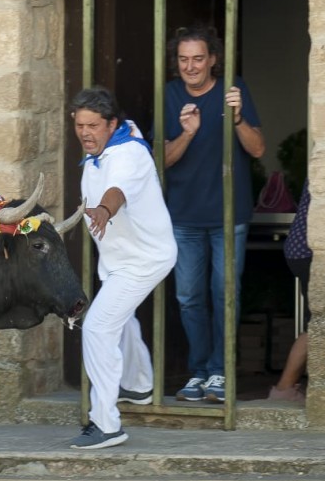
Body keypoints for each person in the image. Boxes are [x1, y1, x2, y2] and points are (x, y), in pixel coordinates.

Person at [68, 87, 177, 450]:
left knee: (97, 327)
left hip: (144, 259)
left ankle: (106, 423)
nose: (85, 132)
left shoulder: (128, 154)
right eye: (80, 125)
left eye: (94, 126)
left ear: (112, 124)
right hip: (118, 260)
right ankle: (140, 383)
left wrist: (103, 210)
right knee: (120, 319)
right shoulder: (98, 152)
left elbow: (117, 190)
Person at [163, 25, 266, 404]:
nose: (191, 66)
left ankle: (220, 372)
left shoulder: (233, 90)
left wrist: (237, 118)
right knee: (189, 297)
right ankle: (199, 372)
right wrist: (188, 133)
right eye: (184, 59)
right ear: (177, 62)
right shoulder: (170, 94)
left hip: (229, 216)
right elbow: (161, 160)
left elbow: (257, 150)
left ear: (213, 60)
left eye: (198, 58)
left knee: (225, 295)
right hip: (183, 216)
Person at [269, 179, 311, 402]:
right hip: (306, 250)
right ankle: (284, 390)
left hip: (299, 249)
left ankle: (284, 389)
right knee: (316, 326)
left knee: (315, 325)